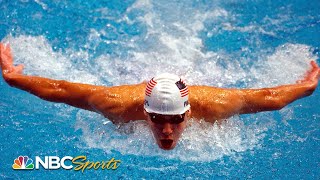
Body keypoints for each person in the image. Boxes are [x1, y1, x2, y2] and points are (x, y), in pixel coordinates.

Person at [1, 43, 319, 150]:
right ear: (144, 110)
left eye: (176, 120)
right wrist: (15, 79)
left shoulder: (214, 104)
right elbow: (62, 90)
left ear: (189, 111)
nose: (167, 131)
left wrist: (306, 87)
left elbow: (269, 97)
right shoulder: (118, 103)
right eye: (157, 119)